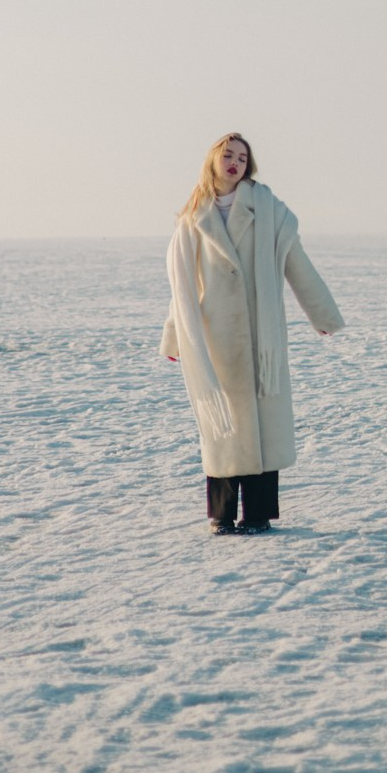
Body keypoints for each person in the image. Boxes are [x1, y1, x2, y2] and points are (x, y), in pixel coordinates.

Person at [161, 132, 345, 535]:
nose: (234, 163)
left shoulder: (268, 210)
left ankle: (258, 514)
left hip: (262, 339)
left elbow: (296, 262)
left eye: (242, 158)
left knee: (262, 424)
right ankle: (221, 516)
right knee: (223, 428)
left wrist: (322, 315)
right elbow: (184, 288)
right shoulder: (193, 217)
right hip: (218, 339)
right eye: (228, 155)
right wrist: (175, 338)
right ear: (213, 160)